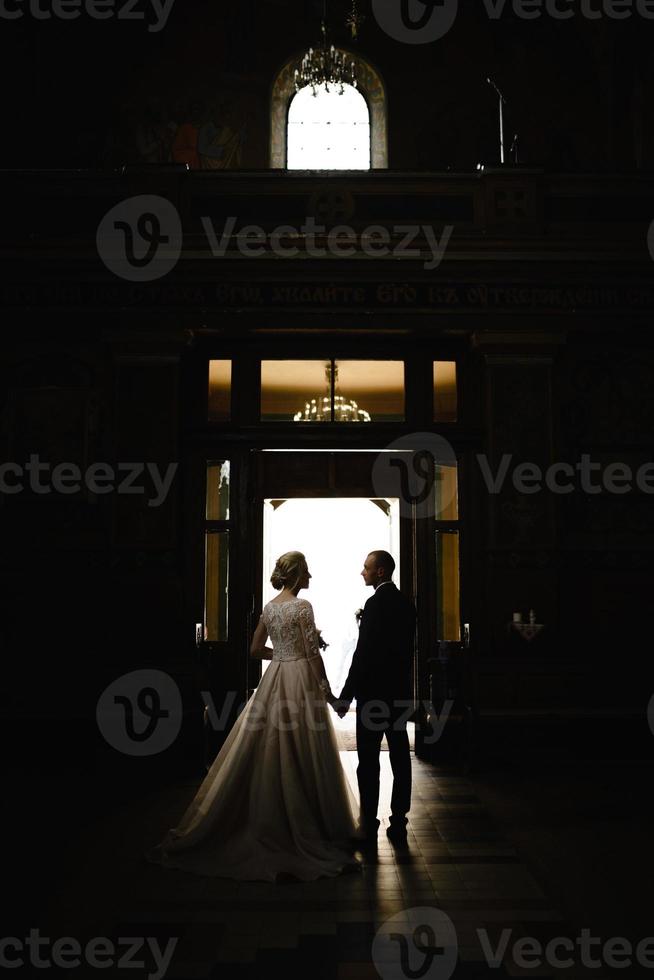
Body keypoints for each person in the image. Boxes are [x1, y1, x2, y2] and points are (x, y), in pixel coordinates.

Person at [146, 551, 360, 882]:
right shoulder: (302, 607)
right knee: (306, 745)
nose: (311, 577)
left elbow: (255, 650)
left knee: (269, 742)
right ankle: (310, 822)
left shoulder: (271, 607)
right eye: (307, 572)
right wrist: (328, 693)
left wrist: (283, 655)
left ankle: (267, 815)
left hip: (276, 675)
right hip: (300, 678)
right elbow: (313, 654)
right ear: (296, 574)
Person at [335, 551, 416, 847]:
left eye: (366, 568)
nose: (362, 572)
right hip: (399, 693)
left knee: (368, 760)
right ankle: (399, 821)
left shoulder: (374, 604)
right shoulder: (407, 605)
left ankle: (369, 821)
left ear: (380, 571)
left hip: (373, 697)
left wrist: (345, 696)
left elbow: (364, 655)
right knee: (400, 757)